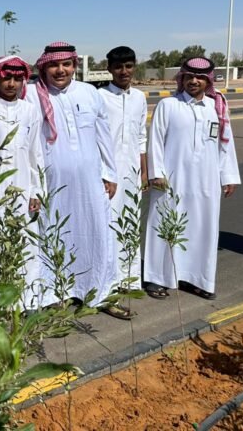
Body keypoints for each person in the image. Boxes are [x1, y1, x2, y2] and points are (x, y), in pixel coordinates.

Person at [25, 42, 118, 311]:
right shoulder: (31, 94)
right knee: (54, 231)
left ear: (74, 66)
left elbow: (103, 136)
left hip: (90, 180)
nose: (60, 70)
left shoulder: (90, 93)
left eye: (66, 64)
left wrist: (110, 173)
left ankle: (95, 290)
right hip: (51, 182)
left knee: (93, 231)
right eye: (54, 65)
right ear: (44, 67)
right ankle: (55, 292)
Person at [144, 57, 240, 301]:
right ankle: (157, 278)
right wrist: (156, 173)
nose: (194, 81)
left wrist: (228, 176)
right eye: (189, 77)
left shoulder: (216, 107)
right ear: (182, 78)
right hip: (171, 180)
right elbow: (155, 141)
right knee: (165, 226)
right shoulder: (168, 105)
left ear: (208, 81)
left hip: (206, 181)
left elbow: (225, 144)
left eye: (200, 78)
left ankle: (197, 279)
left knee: (202, 229)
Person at [0, 56, 45, 309]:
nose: (11, 84)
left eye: (17, 79)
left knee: (25, 241)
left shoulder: (30, 111)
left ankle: (27, 301)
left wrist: (36, 190)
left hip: (24, 187)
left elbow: (35, 153)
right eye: (7, 78)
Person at [99, 46, 148, 306]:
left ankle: (129, 278)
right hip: (107, 174)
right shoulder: (100, 97)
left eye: (128, 66)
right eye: (118, 67)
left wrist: (144, 171)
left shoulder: (139, 97)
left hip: (131, 172)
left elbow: (141, 137)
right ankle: (108, 280)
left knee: (130, 222)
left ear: (134, 67)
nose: (124, 71)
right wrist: (102, 174)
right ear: (109, 69)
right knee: (108, 224)